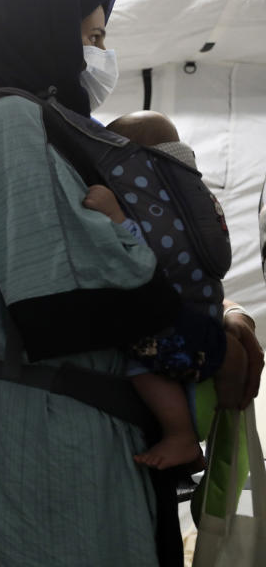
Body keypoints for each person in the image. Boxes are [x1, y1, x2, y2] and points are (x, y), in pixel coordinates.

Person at [0, 0, 262, 566]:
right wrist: (205, 334)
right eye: (90, 37)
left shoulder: (50, 122)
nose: (100, 54)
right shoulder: (12, 117)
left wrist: (219, 313)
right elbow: (55, 302)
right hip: (58, 421)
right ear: (36, 35)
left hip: (86, 412)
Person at [83, 111, 211, 470]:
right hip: (193, 308)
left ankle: (181, 436)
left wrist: (116, 218)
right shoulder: (187, 196)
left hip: (173, 316)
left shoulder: (156, 202)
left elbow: (151, 255)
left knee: (142, 364)